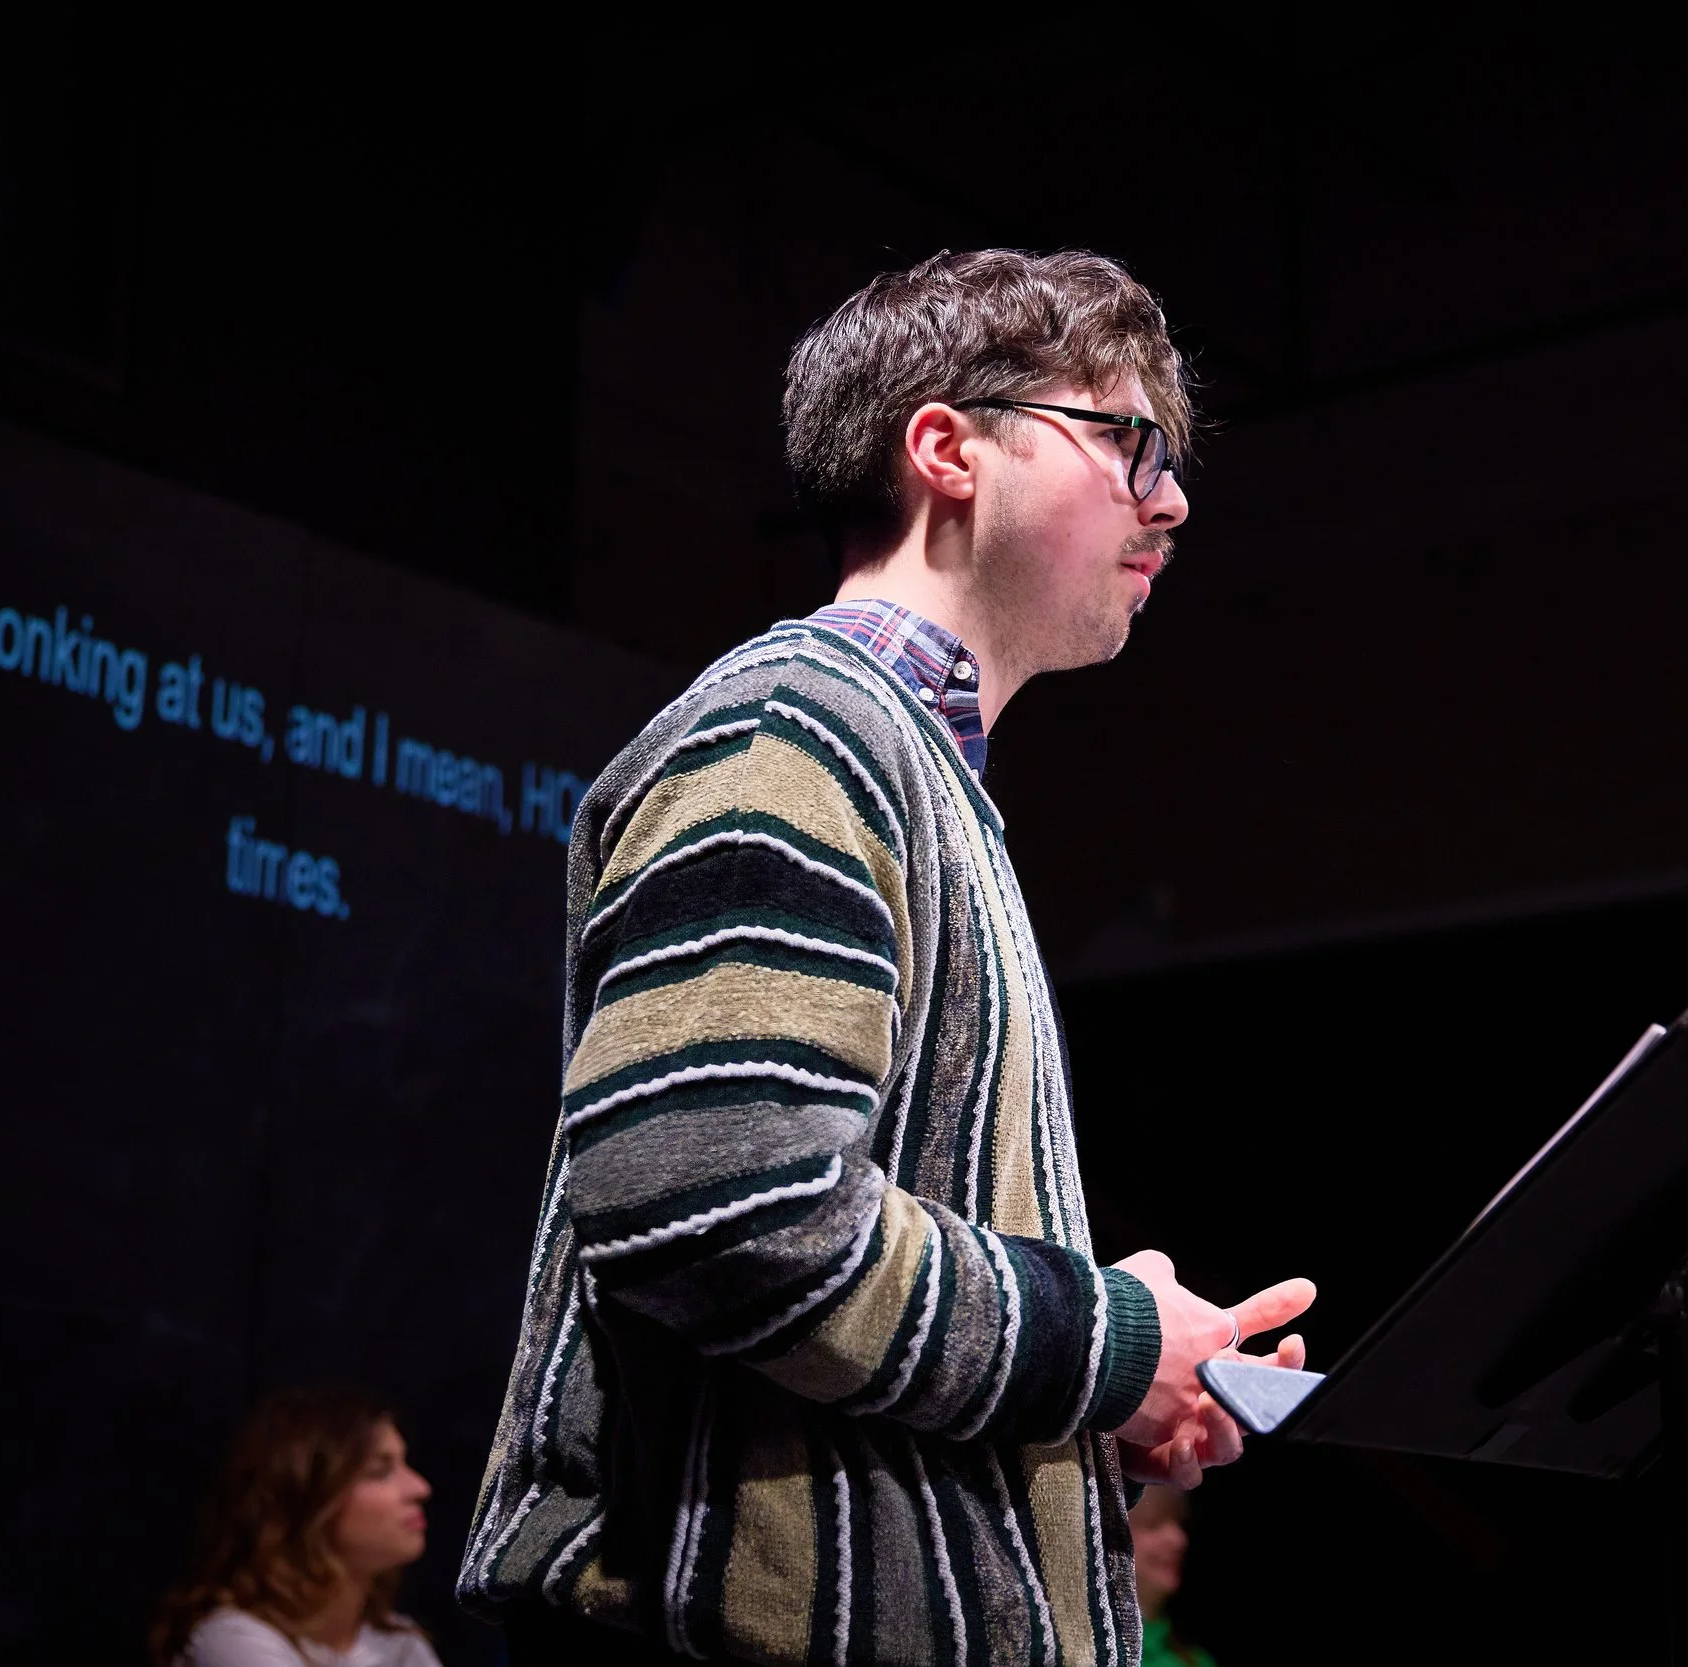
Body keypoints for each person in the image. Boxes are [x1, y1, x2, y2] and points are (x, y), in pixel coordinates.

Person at [460, 249, 1313, 1666]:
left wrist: (1108, 1389)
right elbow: (715, 1194)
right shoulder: (796, 728)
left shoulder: (897, 764)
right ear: (946, 449)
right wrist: (1101, 1336)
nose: (1170, 497)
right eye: (1128, 442)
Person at [154, 1387, 441, 1667]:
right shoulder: (232, 1639)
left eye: (404, 1464)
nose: (420, 1488)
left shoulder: (397, 1639)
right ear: (310, 1498)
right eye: (380, 1471)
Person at [1130, 1487, 1217, 1667]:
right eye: (1153, 1523)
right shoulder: (1082, 1653)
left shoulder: (1196, 1661)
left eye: (1179, 1522)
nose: (1179, 1540)